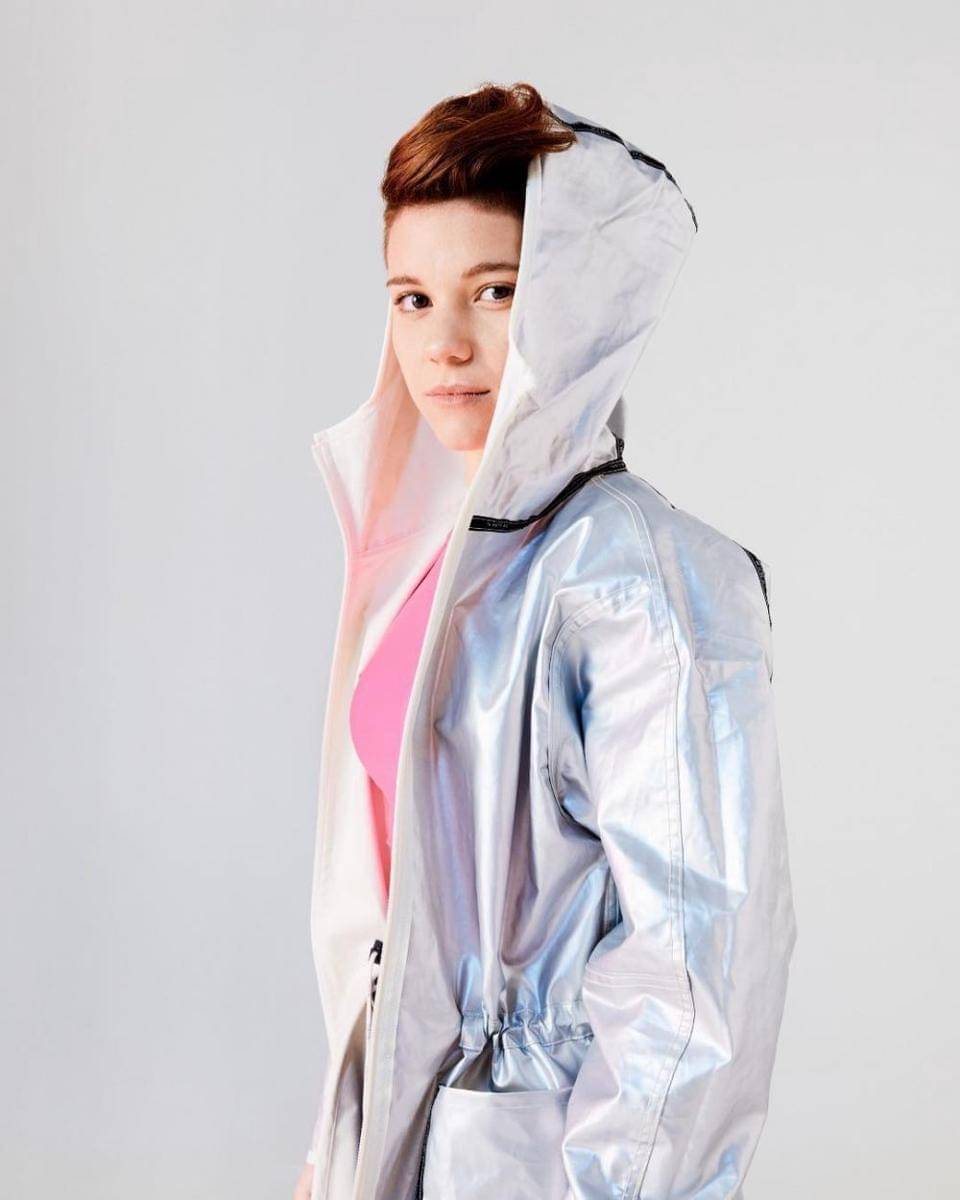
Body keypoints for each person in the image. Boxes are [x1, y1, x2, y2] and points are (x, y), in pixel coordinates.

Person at [294, 81, 797, 1200]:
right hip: (406, 1144)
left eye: (496, 291)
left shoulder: (639, 579)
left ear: (573, 302)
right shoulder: (440, 568)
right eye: (413, 299)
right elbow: (393, 926)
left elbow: (693, 978)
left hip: (545, 1164)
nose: (446, 344)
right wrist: (337, 1149)